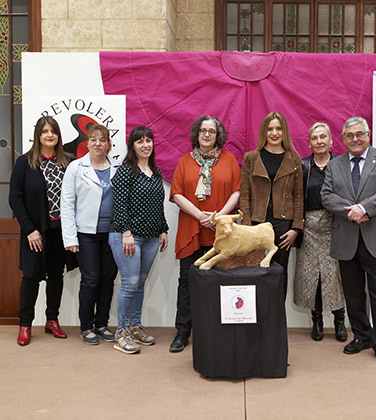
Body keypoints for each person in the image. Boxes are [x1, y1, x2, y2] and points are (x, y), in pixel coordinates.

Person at [321, 116, 376, 366]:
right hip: (346, 236)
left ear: (368, 134)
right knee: (353, 294)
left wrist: (364, 207)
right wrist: (350, 211)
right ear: (343, 139)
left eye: (360, 134)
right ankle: (362, 336)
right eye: (350, 135)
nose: (355, 139)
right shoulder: (334, 165)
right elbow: (326, 196)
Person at [169, 116, 241, 353]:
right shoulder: (184, 161)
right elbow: (177, 194)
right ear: (196, 134)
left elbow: (237, 192)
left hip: (221, 234)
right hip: (192, 230)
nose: (207, 135)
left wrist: (218, 216)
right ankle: (182, 332)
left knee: (221, 282)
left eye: (211, 131)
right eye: (203, 130)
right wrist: (201, 216)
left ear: (218, 135)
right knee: (187, 282)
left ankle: (219, 329)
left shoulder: (230, 160)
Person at [9, 116, 76, 346]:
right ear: (38, 135)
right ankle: (25, 324)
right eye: (45, 131)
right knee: (31, 277)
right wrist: (30, 229)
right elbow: (15, 199)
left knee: (56, 276)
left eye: (53, 131)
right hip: (35, 232)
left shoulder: (69, 162)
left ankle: (52, 320)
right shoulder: (25, 163)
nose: (50, 135)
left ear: (58, 136)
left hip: (60, 231)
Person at [109, 126, 169, 354]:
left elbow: (158, 205)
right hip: (127, 237)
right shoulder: (125, 171)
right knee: (130, 282)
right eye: (140, 141)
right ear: (132, 146)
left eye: (148, 140)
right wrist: (126, 233)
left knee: (140, 283)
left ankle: (134, 326)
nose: (145, 145)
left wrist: (163, 229)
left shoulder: (156, 172)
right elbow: (119, 205)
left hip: (152, 237)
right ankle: (121, 333)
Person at [61, 124, 121, 345]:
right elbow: (66, 204)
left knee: (108, 279)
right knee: (91, 279)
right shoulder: (76, 168)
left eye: (102, 140)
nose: (98, 143)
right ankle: (86, 326)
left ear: (108, 144)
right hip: (85, 234)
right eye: (94, 139)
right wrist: (70, 238)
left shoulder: (118, 167)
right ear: (87, 143)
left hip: (112, 234)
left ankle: (102, 323)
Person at [239, 111, 303, 297]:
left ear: (284, 132)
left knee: (279, 272)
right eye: (270, 129)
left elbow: (298, 196)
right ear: (264, 132)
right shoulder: (251, 158)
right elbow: (245, 194)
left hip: (284, 225)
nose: (274, 133)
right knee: (255, 269)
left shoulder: (294, 159)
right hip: (257, 223)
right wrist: (247, 226)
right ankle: (257, 322)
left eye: (278, 128)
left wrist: (296, 227)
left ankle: (276, 321)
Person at [293, 122, 346, 342]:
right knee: (311, 275)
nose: (319, 141)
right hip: (310, 226)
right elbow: (296, 197)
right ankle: (316, 320)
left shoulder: (341, 164)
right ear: (310, 143)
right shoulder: (304, 166)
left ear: (331, 141)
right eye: (315, 138)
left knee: (335, 276)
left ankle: (339, 320)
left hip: (336, 225)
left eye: (323, 137)